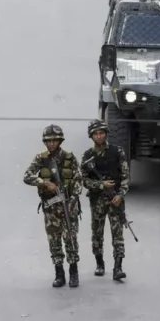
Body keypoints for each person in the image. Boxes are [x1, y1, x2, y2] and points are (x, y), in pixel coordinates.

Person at [23, 125, 82, 288]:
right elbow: (27, 176)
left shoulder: (69, 158)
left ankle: (73, 272)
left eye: (55, 140)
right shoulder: (40, 159)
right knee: (54, 241)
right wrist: (44, 183)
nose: (52, 144)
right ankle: (59, 273)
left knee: (71, 239)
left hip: (68, 206)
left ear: (60, 141)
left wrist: (73, 201)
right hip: (51, 208)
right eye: (49, 141)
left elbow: (78, 180)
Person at [80, 119, 130, 280]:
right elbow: (84, 180)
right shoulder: (88, 156)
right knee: (97, 233)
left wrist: (120, 195)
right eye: (96, 134)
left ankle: (118, 266)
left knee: (118, 233)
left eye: (102, 133)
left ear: (106, 134)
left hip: (115, 199)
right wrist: (101, 185)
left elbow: (125, 176)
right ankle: (99, 263)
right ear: (91, 136)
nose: (99, 136)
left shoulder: (117, 151)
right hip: (98, 200)